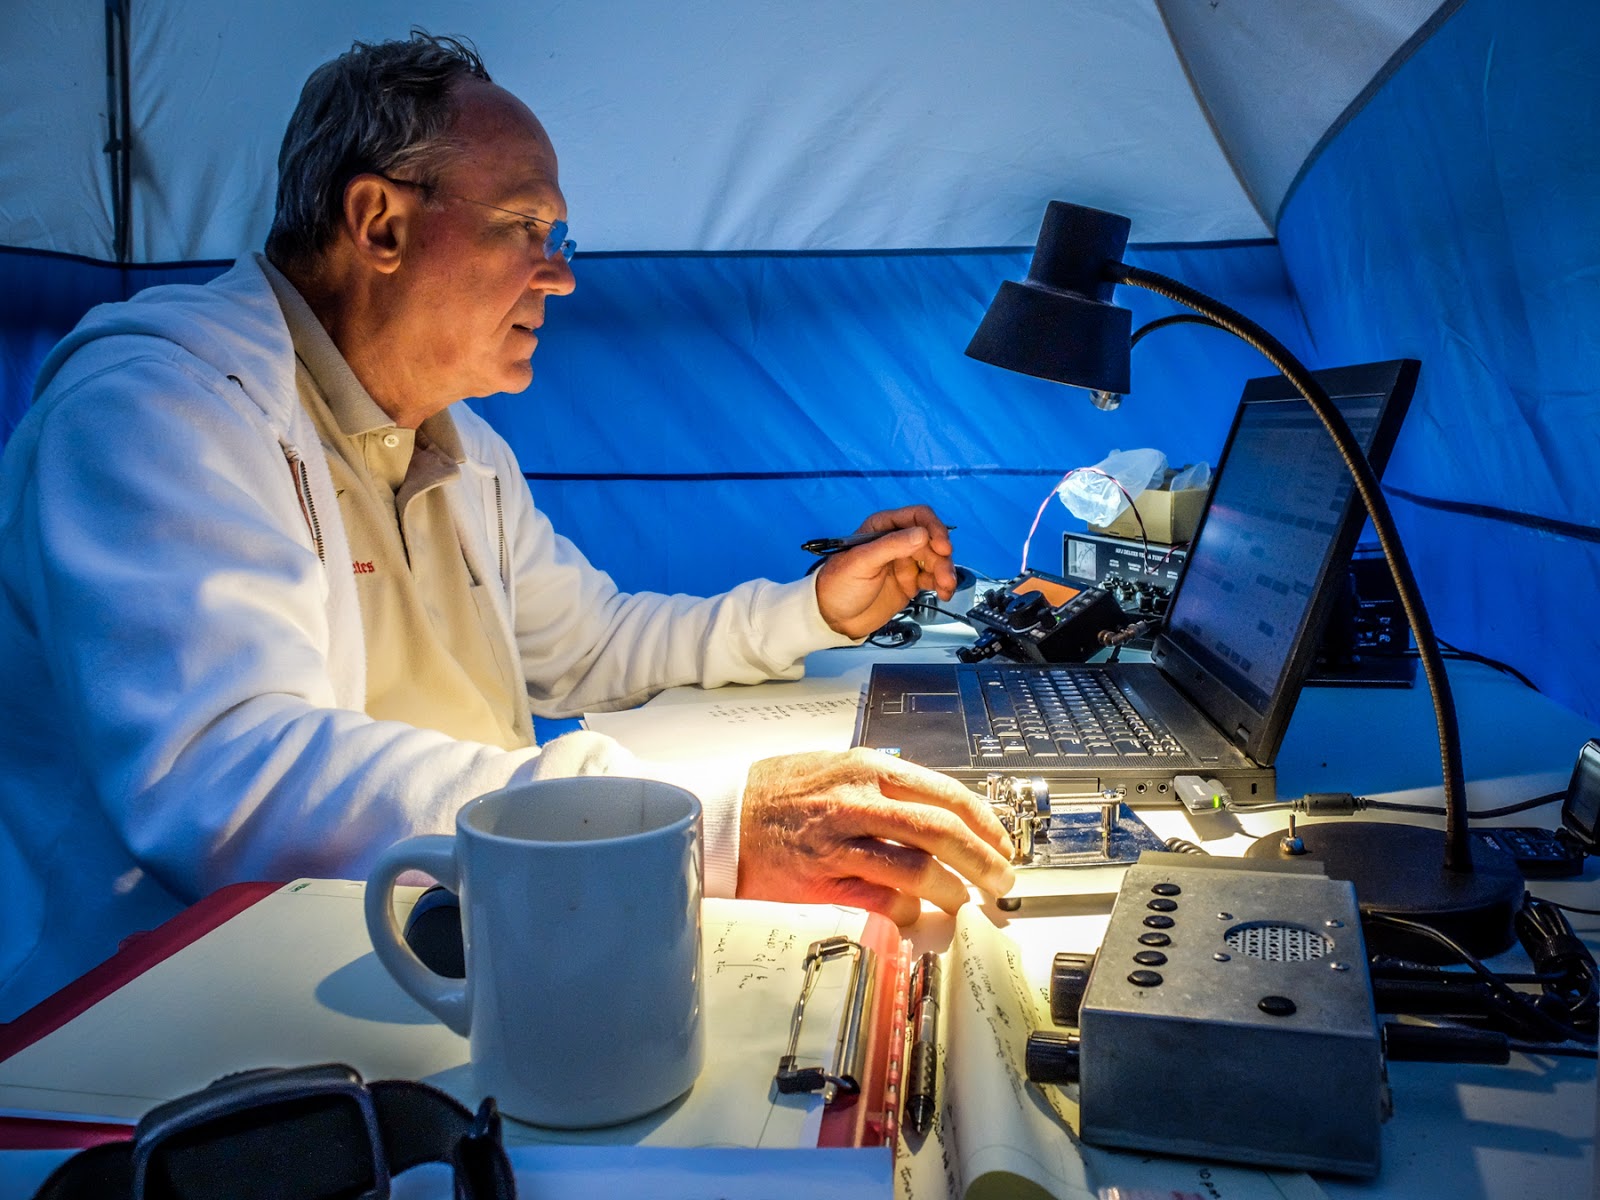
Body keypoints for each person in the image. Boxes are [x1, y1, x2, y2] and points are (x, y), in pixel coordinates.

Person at [0, 32, 1013, 1021]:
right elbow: (233, 778)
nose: (560, 274)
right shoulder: (153, 407)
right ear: (380, 225)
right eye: (527, 225)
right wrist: (691, 824)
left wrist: (813, 610)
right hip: (154, 1014)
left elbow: (590, 647)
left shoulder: (461, 446)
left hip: (440, 946)